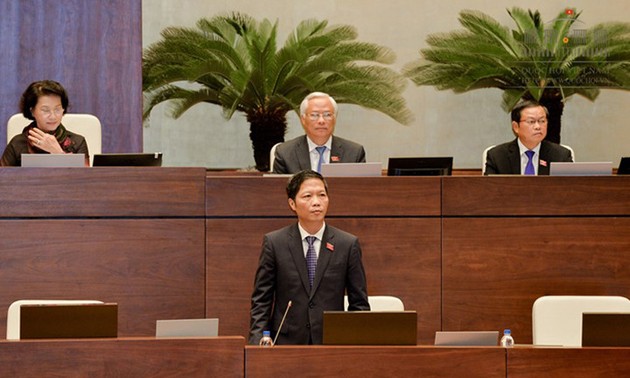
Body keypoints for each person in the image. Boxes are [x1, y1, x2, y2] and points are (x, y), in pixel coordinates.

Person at [248, 170, 370, 345]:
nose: (316, 202)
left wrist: (357, 344)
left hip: (332, 342)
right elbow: (262, 300)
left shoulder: (347, 244)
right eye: (307, 196)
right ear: (292, 203)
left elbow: (359, 304)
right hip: (286, 342)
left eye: (322, 195)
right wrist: (257, 342)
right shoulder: (275, 243)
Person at [272, 92, 366, 174]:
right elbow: (278, 190)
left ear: (334, 119)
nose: (321, 121)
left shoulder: (354, 153)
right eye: (314, 115)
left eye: (327, 115)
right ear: (303, 119)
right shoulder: (285, 153)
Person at [1, 80, 89, 167]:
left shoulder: (77, 142)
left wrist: (58, 153)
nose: (53, 116)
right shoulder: (18, 143)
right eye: (45, 110)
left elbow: (86, 178)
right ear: (32, 111)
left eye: (57, 109)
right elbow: (3, 178)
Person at [484, 100, 573, 175]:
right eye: (531, 121)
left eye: (542, 121)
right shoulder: (497, 156)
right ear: (516, 127)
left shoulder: (561, 156)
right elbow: (489, 191)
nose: (538, 126)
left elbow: (571, 190)